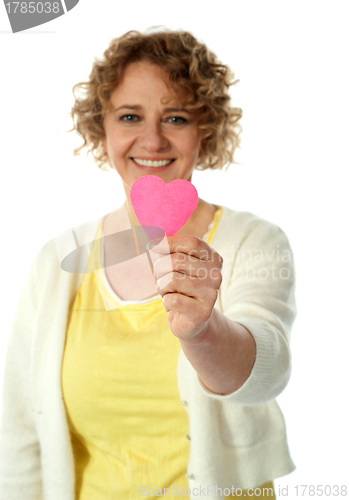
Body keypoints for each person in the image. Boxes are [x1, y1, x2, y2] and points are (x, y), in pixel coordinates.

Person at [0, 29, 297, 499]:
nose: (153, 139)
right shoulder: (57, 263)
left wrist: (203, 331)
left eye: (175, 117)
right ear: (104, 129)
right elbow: (18, 433)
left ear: (206, 129)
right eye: (130, 116)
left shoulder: (253, 241)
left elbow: (270, 371)